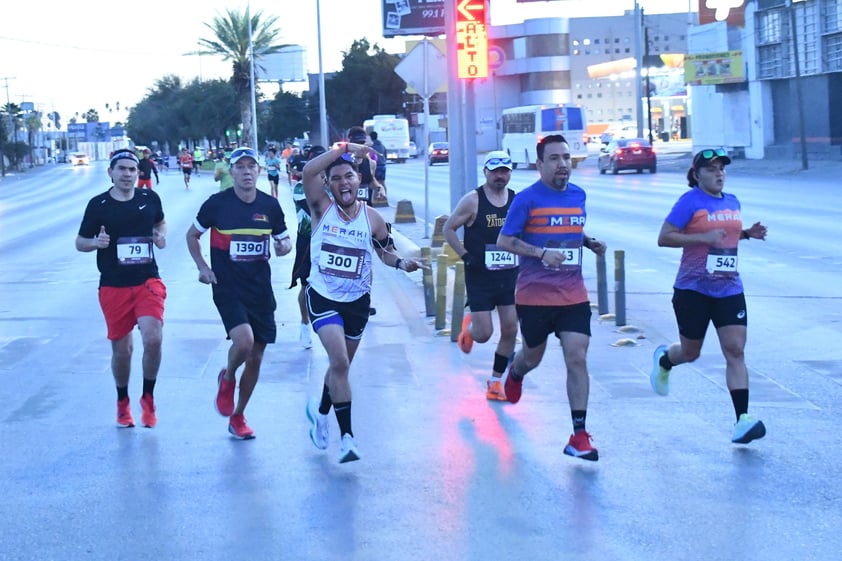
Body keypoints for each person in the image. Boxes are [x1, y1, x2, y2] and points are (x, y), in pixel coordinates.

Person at [301, 142, 425, 463]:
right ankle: (347, 439)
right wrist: (344, 148)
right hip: (324, 296)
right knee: (340, 362)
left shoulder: (372, 218)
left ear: (359, 181)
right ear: (329, 184)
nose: (344, 182)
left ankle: (321, 413)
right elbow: (308, 171)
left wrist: (401, 264)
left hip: (357, 302)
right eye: (337, 178)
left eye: (349, 176)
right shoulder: (321, 207)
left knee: (340, 368)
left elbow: (385, 251)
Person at [496, 134, 607, 462]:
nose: (563, 164)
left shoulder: (578, 195)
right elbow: (505, 240)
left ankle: (579, 434)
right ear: (540, 163)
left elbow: (570, 228)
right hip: (534, 296)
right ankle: (516, 372)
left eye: (566, 158)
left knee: (577, 356)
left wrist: (588, 243)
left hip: (573, 294)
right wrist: (540, 253)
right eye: (555, 158)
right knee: (533, 357)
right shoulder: (527, 200)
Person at [651, 148, 768, 445]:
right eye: (712, 169)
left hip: (729, 288)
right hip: (693, 289)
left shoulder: (732, 201)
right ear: (697, 174)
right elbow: (664, 237)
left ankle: (742, 420)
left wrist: (746, 234)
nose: (719, 173)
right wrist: (700, 238)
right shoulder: (689, 201)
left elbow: (726, 235)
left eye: (722, 169)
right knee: (691, 353)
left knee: (736, 351)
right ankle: (666, 360)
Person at [185, 147, 293, 439]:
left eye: (251, 167)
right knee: (243, 343)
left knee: (256, 357)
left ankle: (239, 415)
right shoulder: (217, 204)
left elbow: (284, 241)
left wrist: (284, 247)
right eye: (240, 167)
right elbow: (192, 235)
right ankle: (228, 376)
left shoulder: (270, 206)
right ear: (230, 172)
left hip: (260, 289)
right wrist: (203, 267)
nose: (246, 172)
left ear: (259, 171)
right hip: (228, 285)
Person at [75, 149, 167, 429]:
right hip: (114, 285)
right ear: (111, 173)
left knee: (153, 339)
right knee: (123, 350)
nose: (128, 174)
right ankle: (122, 401)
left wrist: (160, 236)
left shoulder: (149, 198)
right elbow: (80, 241)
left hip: (147, 281)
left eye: (132, 170)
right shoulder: (98, 205)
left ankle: (148, 398)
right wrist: (96, 244)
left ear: (139, 173)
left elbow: (160, 222)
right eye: (122, 169)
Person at [445, 150, 519, 400]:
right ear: (486, 172)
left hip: (509, 275)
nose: (500, 176)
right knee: (485, 333)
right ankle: (470, 331)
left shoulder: (515, 200)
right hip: (480, 276)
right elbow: (449, 229)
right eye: (495, 171)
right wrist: (465, 256)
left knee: (510, 329)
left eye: (504, 171)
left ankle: (496, 381)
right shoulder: (473, 200)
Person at [289, 145, 327, 349]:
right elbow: (318, 209)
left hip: (332, 241)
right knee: (306, 285)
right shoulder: (299, 188)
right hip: (308, 240)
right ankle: (305, 324)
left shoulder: (334, 184)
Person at [369, 131, 388, 198]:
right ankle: (384, 196)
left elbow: (370, 157)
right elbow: (385, 155)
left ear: (371, 138)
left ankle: (376, 198)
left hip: (375, 166)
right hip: (383, 165)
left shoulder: (371, 147)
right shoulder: (382, 146)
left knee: (374, 183)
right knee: (382, 182)